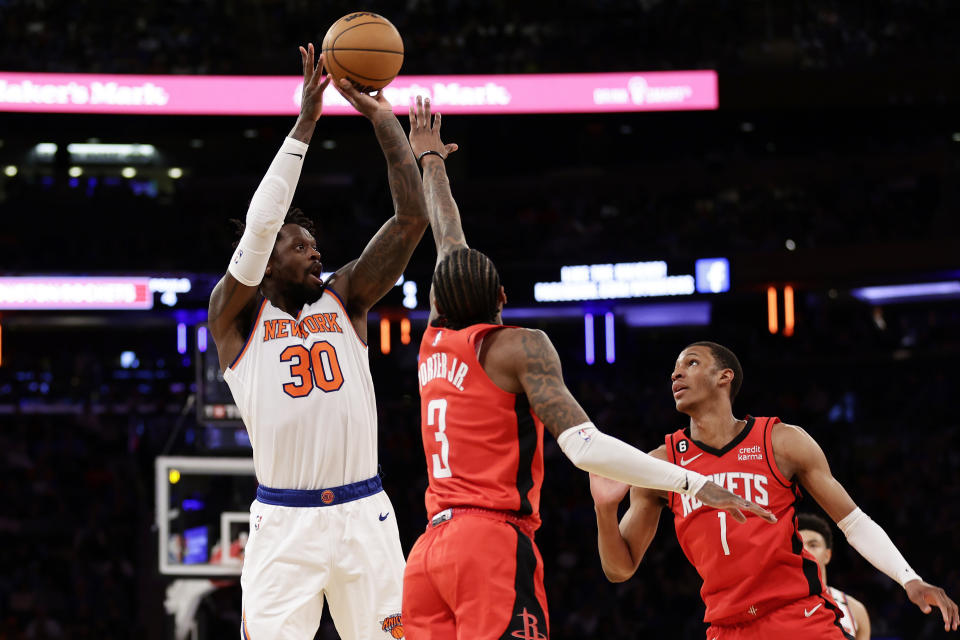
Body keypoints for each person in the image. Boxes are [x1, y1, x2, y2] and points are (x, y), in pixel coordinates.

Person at [399, 97, 775, 640]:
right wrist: (694, 482)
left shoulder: (434, 338)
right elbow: (583, 446)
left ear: (440, 299)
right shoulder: (517, 346)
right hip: (488, 544)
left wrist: (429, 160)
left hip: (427, 552)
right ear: (503, 297)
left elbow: (448, 239)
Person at [207, 44, 430, 639]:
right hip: (285, 524)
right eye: (299, 247)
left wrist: (385, 124)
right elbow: (258, 228)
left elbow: (412, 220)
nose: (316, 254)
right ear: (268, 263)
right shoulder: (233, 318)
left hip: (366, 514)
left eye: (315, 246)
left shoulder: (346, 297)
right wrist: (306, 121)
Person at [590, 341, 959, 639]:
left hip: (797, 617)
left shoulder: (781, 441)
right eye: (675, 367)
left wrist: (909, 578)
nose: (675, 373)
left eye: (691, 363)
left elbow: (853, 522)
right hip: (725, 627)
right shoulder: (659, 463)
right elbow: (620, 570)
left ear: (724, 377)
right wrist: (605, 511)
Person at [799, 512, 870, 639]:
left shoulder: (855, 609)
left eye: (813, 545)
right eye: (799, 545)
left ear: (828, 555)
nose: (805, 550)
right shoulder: (775, 604)